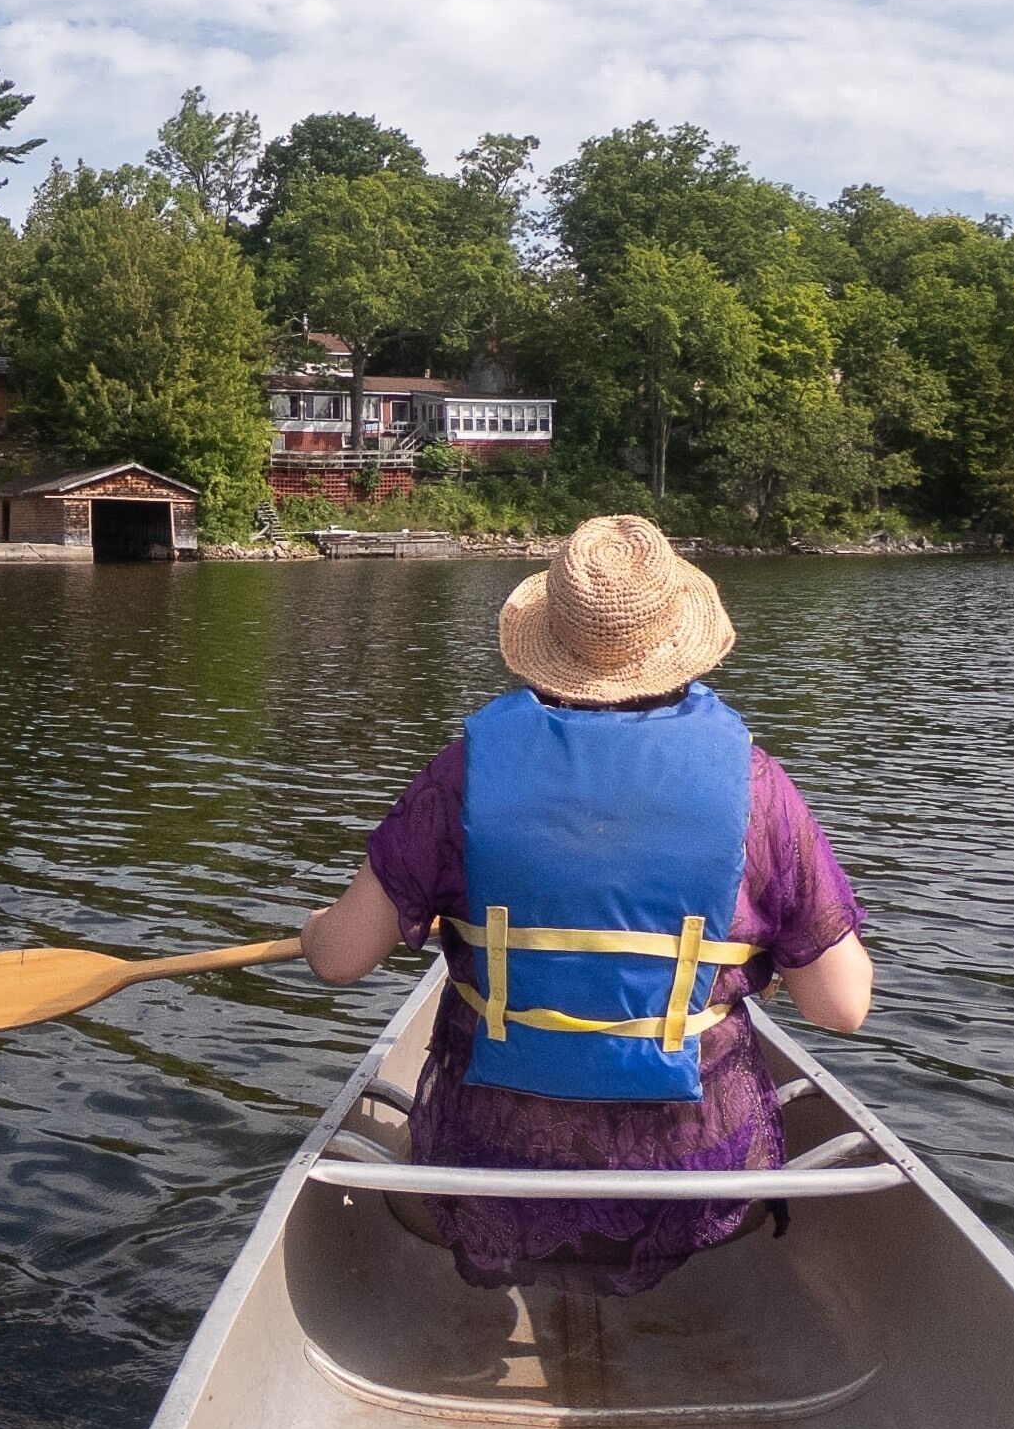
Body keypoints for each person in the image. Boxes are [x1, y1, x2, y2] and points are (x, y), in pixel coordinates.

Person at [298, 515, 875, 1296]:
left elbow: (337, 959)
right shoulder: (754, 787)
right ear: (681, 642)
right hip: (695, 1176)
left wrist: (311, 931)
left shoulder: (463, 777)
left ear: (550, 643)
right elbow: (841, 1006)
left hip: (488, 1171)